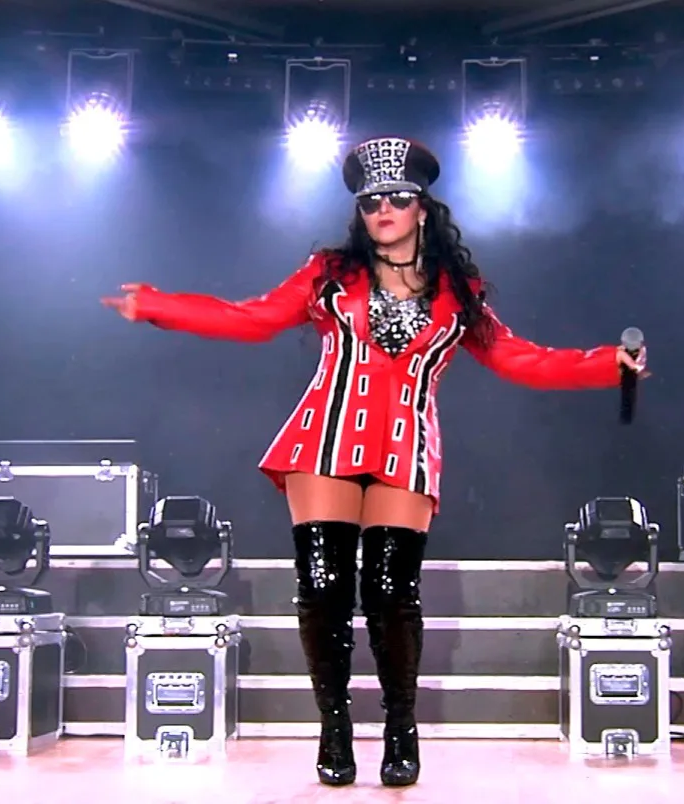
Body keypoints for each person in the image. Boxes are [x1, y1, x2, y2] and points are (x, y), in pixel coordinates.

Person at [101, 136, 648, 787]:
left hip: (405, 447)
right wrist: (158, 305)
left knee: (391, 592)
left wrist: (606, 364)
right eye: (370, 201)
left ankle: (399, 726)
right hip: (323, 441)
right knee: (323, 587)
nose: (383, 209)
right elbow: (254, 318)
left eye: (397, 198)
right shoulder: (330, 273)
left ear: (421, 207)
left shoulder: (457, 292)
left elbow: (517, 358)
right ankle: (333, 728)